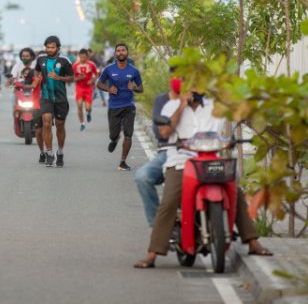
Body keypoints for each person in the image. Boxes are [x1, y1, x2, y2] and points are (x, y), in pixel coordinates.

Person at [134, 90, 272, 268]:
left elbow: (236, 116)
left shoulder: (215, 105)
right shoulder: (171, 106)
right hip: (180, 162)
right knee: (168, 202)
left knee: (235, 192)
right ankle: (152, 253)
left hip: (212, 159)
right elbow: (165, 132)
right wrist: (182, 106)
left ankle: (253, 242)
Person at [135, 75, 181, 227]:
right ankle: (157, 226)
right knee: (143, 177)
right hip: (169, 152)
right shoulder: (163, 101)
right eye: (177, 77)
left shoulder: (203, 102)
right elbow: (161, 133)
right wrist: (182, 107)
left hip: (198, 153)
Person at [96, 43, 143, 171]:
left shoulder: (134, 71)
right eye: (118, 51)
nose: (121, 52)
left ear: (127, 53)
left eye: (123, 50)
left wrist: (133, 88)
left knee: (128, 134)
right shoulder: (109, 69)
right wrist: (108, 88)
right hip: (114, 106)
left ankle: (123, 161)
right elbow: (99, 84)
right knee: (113, 134)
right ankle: (114, 139)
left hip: (129, 106)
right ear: (115, 54)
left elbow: (141, 88)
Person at [33, 36, 74, 168]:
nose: (50, 50)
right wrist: (37, 78)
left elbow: (71, 78)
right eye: (48, 47)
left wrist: (59, 77)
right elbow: (37, 70)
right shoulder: (41, 59)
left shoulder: (64, 60)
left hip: (60, 98)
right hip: (45, 96)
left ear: (58, 48)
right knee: (46, 123)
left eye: (52, 47)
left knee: (60, 125)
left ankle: (60, 152)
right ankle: (49, 154)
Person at [8, 47, 43, 157]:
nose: (25, 58)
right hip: (20, 91)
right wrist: (12, 81)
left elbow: (40, 76)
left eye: (27, 56)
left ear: (32, 56)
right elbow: (13, 76)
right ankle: (16, 116)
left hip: (34, 91)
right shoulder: (18, 65)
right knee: (12, 100)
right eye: (23, 56)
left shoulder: (36, 66)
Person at [73, 48, 99, 131]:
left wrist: (92, 80)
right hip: (79, 88)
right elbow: (71, 78)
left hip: (88, 88)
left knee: (88, 107)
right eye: (81, 57)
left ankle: (88, 113)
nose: (82, 59)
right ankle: (82, 123)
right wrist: (78, 78)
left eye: (84, 57)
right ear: (79, 57)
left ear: (87, 57)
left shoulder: (92, 65)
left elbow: (96, 74)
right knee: (79, 105)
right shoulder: (75, 65)